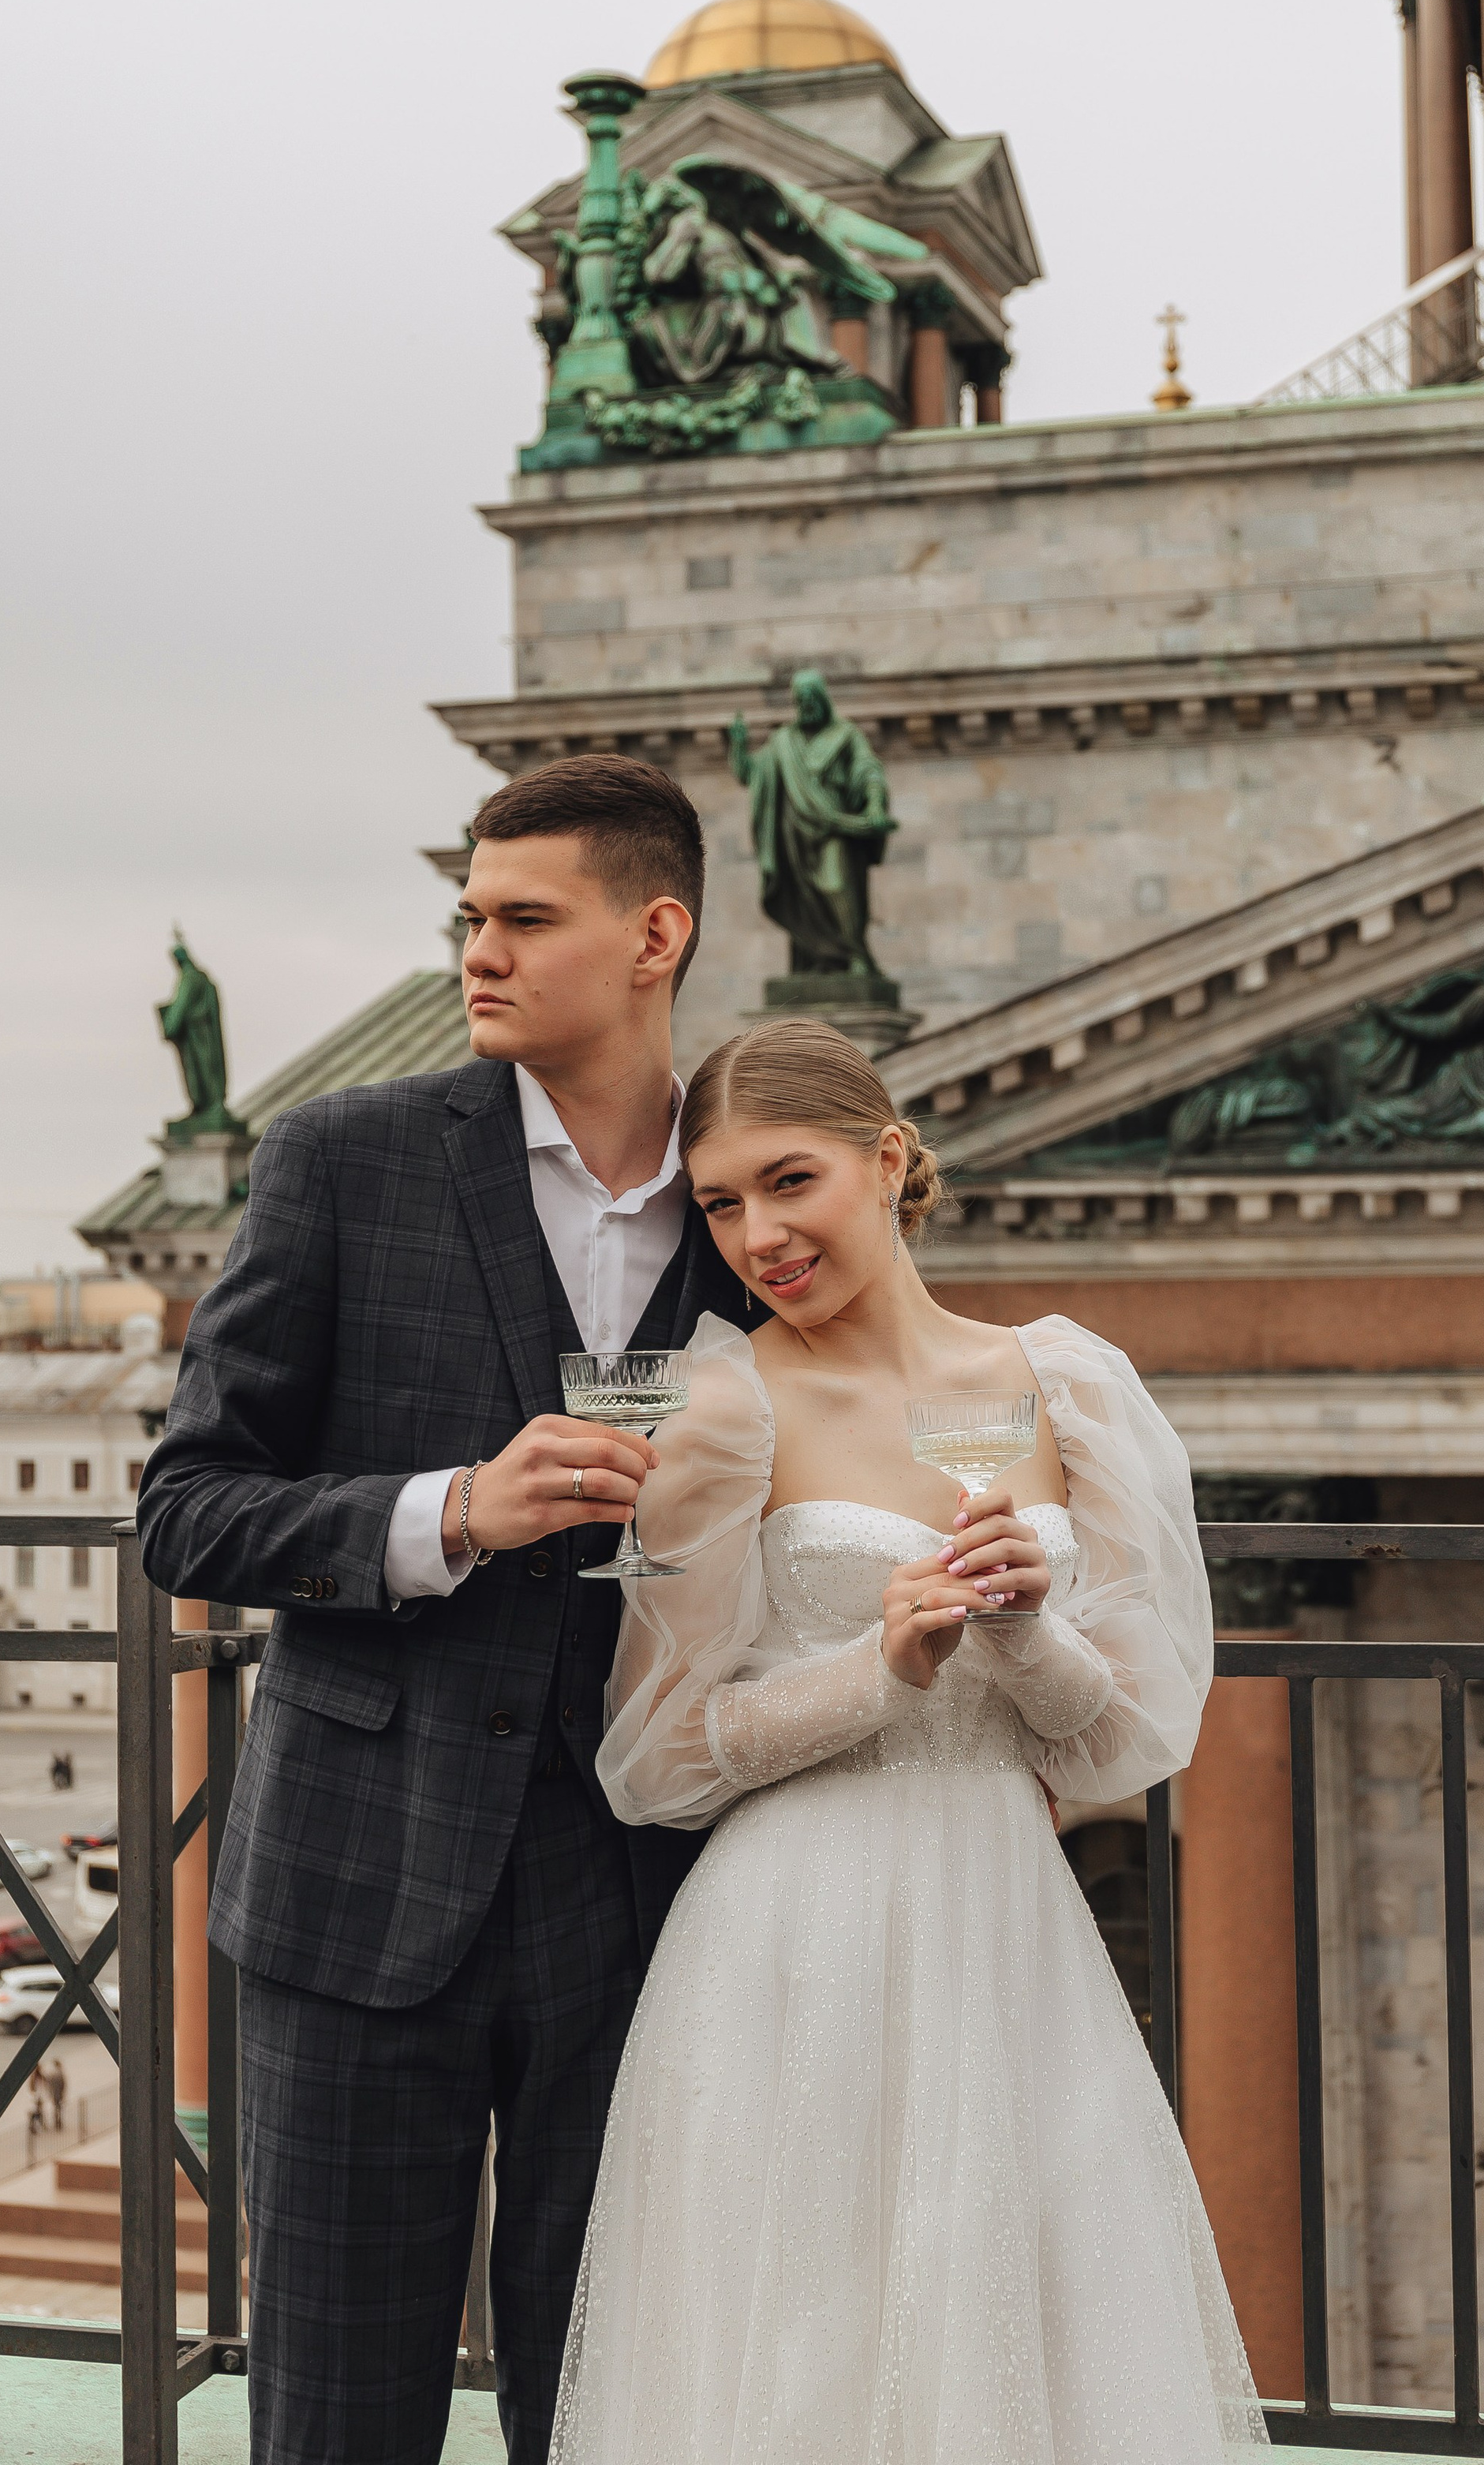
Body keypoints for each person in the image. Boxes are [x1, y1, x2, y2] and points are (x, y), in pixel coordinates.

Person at [136, 757, 761, 2465]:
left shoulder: (755, 1195)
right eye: (469, 918)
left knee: (618, 2414)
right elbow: (186, 1508)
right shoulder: (342, 1158)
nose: (479, 952)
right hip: (357, 1889)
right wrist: (450, 1514)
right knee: (338, 2422)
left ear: (655, 935)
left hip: (650, 1901)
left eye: (524, 919)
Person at [550, 1016, 1264, 2465]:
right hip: (794, 1939)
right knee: (801, 2350)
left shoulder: (1063, 1384)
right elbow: (660, 1757)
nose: (758, 1236)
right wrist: (877, 1672)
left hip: (1009, 1929)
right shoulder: (721, 1402)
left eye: (789, 1182)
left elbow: (1114, 1741)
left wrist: (1026, 1629)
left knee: (1027, 2332)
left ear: (887, 1161)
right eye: (721, 1205)